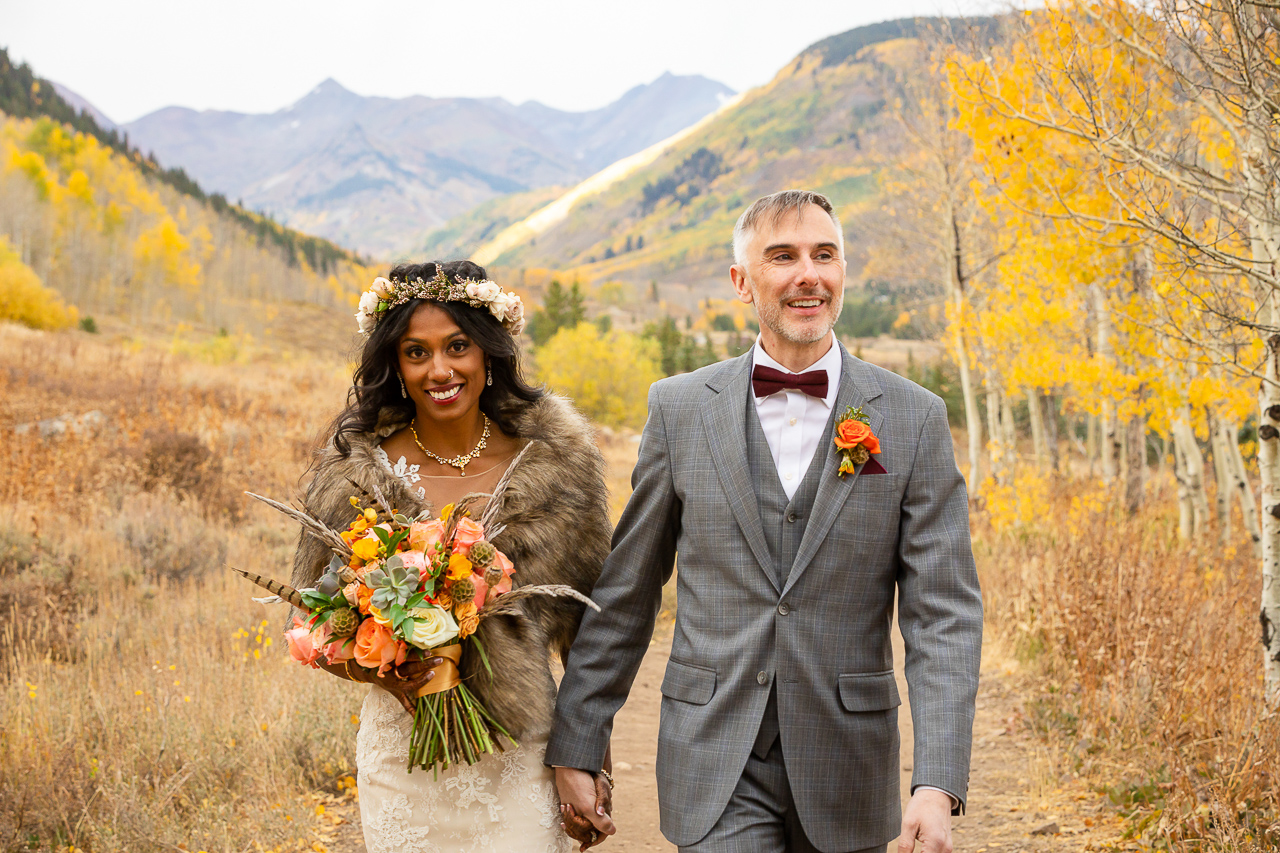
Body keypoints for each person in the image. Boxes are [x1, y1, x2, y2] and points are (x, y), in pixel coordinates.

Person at [548, 191, 982, 853]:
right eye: (783, 256)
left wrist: (938, 780)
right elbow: (626, 593)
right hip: (715, 754)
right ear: (741, 281)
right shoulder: (679, 409)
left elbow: (943, 610)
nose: (809, 273)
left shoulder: (914, 418)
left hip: (848, 762)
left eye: (824, 254)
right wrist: (578, 743)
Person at [288, 260, 613, 853]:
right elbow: (308, 622)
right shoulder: (354, 475)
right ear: (396, 365)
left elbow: (590, 635)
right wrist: (385, 671)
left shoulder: (560, 466)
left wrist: (589, 762)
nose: (439, 370)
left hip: (522, 759)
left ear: (489, 353)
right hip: (403, 761)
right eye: (416, 352)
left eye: (457, 346)